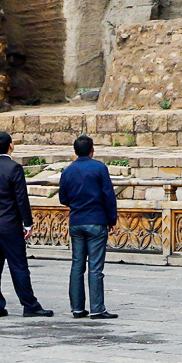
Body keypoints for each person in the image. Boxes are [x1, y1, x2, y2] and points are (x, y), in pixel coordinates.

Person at [0, 132, 51, 319]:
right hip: (9, 224)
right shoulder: (14, 168)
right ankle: (29, 304)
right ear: (11, 145)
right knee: (18, 266)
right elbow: (21, 198)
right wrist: (27, 223)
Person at [58, 135, 118, 320]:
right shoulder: (99, 168)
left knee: (77, 265)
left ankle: (77, 308)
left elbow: (63, 198)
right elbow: (108, 195)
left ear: (75, 151)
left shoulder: (68, 171)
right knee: (95, 267)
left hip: (76, 221)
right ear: (92, 150)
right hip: (96, 220)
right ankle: (97, 308)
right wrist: (112, 220)